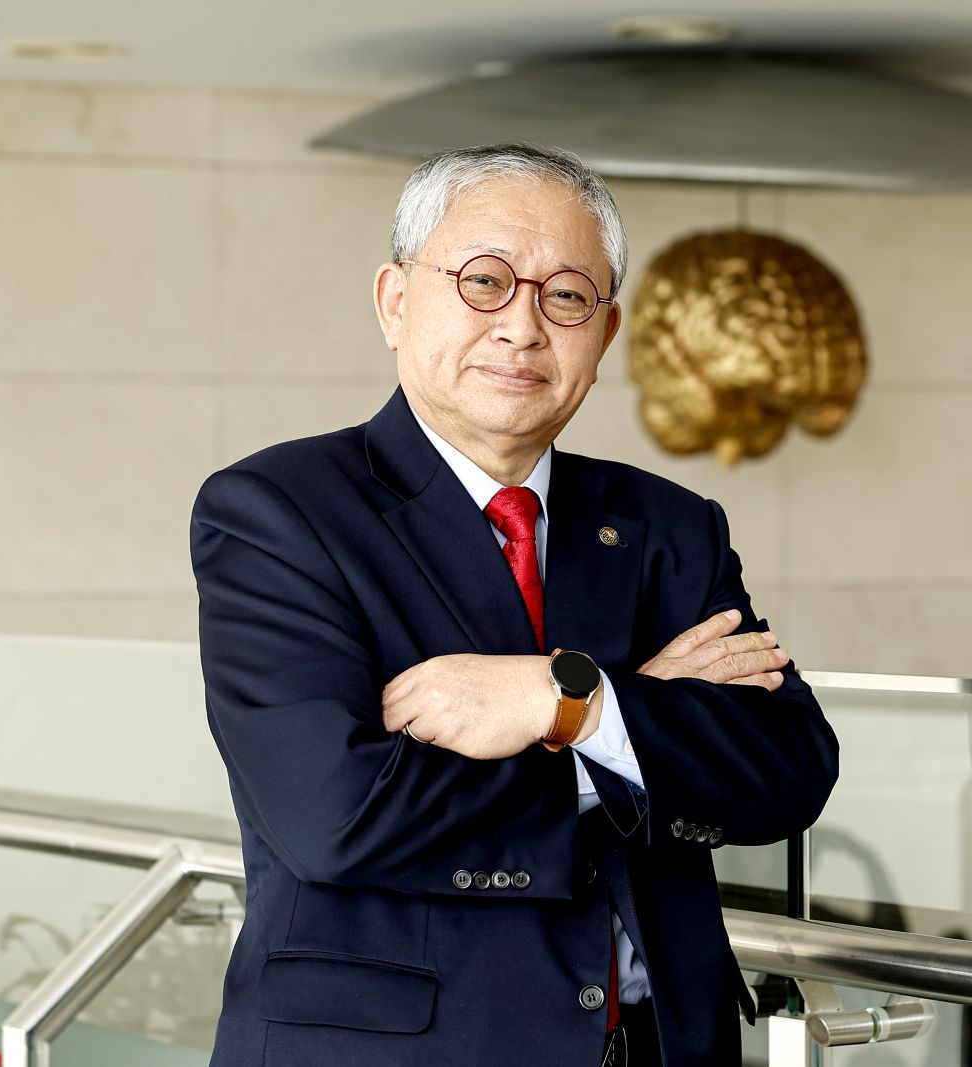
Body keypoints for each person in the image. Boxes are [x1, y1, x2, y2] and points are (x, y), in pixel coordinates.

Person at [191, 143, 839, 1067]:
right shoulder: (279, 512)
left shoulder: (669, 526)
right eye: (485, 281)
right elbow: (336, 815)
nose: (523, 328)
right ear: (395, 301)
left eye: (566, 294)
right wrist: (625, 728)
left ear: (605, 333)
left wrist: (573, 699)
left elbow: (788, 768)